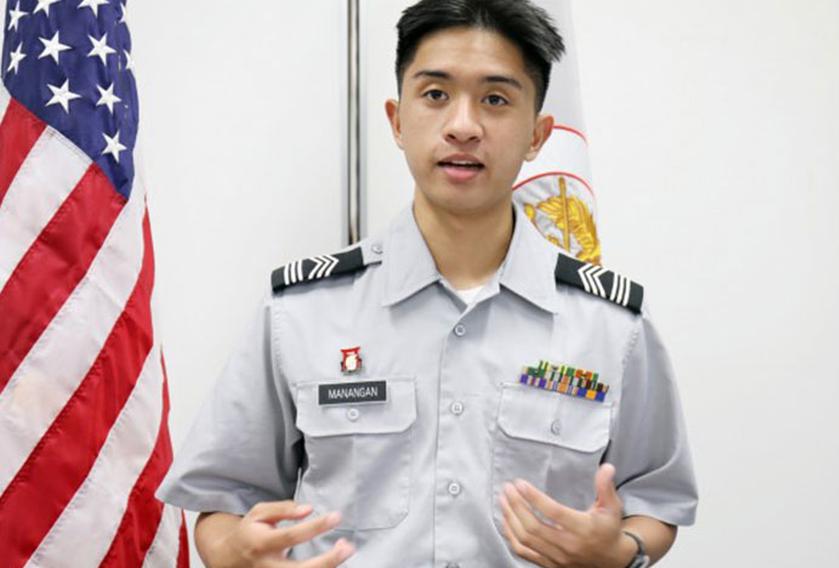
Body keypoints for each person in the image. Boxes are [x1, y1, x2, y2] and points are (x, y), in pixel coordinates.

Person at [157, 1, 698, 566]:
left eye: (495, 99)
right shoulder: (303, 312)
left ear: (537, 135)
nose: (463, 126)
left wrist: (621, 549)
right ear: (396, 120)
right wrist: (235, 552)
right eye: (436, 94)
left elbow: (654, 500)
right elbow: (224, 500)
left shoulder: (612, 326)